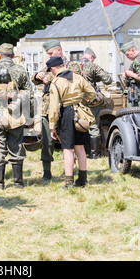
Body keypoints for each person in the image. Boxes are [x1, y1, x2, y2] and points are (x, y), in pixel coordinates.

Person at [0, 43, 33, 189]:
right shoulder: (20, 70)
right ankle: (18, 183)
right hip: (16, 114)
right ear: (13, 56)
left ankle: (0, 184)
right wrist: (30, 116)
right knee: (16, 146)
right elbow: (29, 94)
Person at [48, 56, 96, 188]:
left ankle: (69, 182)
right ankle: (82, 179)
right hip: (80, 112)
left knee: (68, 149)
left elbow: (53, 107)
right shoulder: (77, 77)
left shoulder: (56, 82)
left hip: (67, 114)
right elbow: (91, 93)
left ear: (53, 68)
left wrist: (52, 126)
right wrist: (82, 101)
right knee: (80, 147)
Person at [31, 39, 67, 180]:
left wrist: (50, 79)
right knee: (47, 141)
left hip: (65, 108)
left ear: (59, 50)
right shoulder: (48, 66)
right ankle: (47, 170)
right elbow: (35, 80)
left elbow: (69, 78)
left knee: (68, 140)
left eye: (51, 53)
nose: (49, 56)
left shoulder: (71, 65)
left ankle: (71, 168)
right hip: (47, 109)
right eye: (48, 54)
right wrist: (37, 76)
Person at [79, 47, 113, 158]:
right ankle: (94, 154)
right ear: (91, 57)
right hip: (90, 100)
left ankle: (79, 152)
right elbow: (108, 80)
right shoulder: (92, 66)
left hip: (76, 100)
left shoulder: (73, 66)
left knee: (79, 125)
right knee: (93, 125)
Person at [120, 41, 140, 107]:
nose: (127, 57)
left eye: (127, 54)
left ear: (133, 50)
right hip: (137, 94)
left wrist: (130, 74)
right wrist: (127, 74)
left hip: (139, 95)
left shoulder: (139, 60)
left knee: (138, 116)